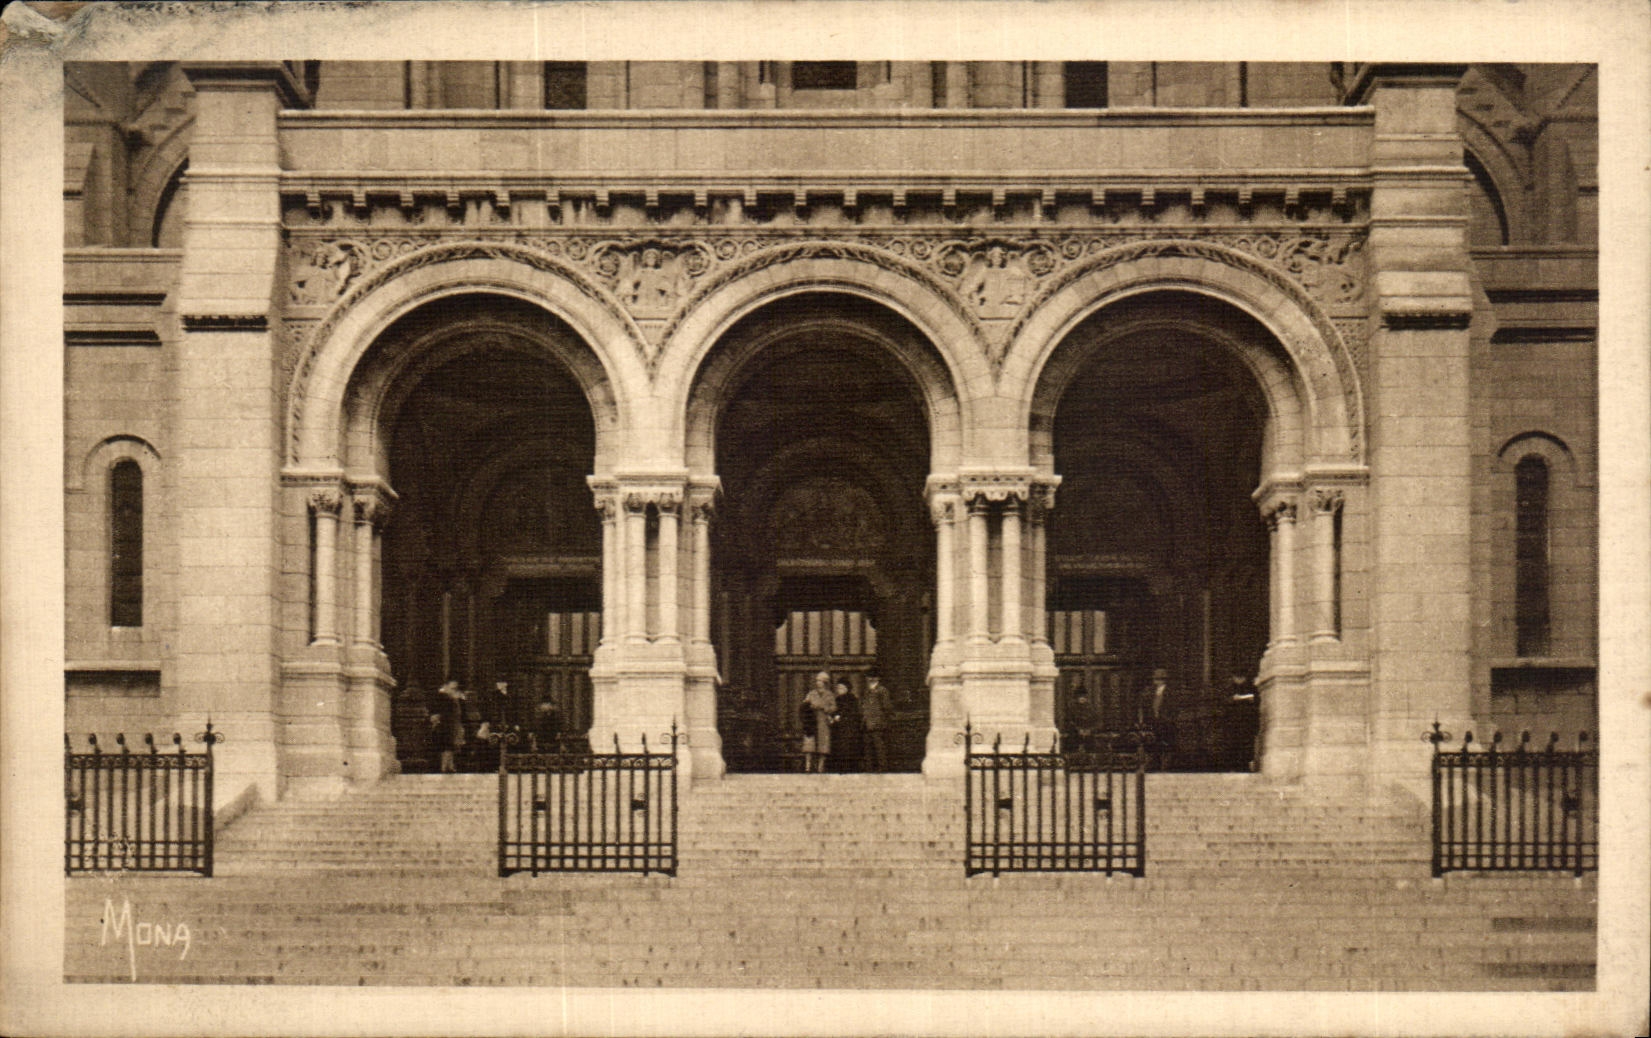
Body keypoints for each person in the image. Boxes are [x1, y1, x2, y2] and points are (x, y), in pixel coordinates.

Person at [801, 671, 838, 774]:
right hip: (811, 721)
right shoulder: (811, 693)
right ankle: (808, 766)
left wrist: (824, 707)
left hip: (823, 721)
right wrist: (810, 706)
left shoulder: (829, 694)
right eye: (817, 680)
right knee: (809, 744)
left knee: (823, 745)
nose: (818, 682)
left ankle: (820, 767)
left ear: (825, 682)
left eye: (820, 681)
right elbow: (804, 705)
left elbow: (834, 708)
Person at [1142, 668, 1176, 769]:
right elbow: (1149, 705)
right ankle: (1153, 764)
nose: (1156, 681)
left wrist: (1169, 718)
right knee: (1153, 742)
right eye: (1156, 679)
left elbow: (1172, 707)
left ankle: (1165, 765)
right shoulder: (1152, 691)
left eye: (1159, 679)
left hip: (1166, 722)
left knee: (1166, 744)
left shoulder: (1170, 691)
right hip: (1154, 721)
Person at [1227, 672, 1260, 771]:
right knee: (1234, 742)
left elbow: (1256, 699)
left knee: (1247, 743)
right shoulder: (1229, 686)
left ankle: (1246, 765)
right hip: (1234, 720)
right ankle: (1234, 766)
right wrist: (1232, 699)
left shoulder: (1250, 685)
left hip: (1247, 719)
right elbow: (1224, 702)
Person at [861, 674, 892, 772]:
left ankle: (882, 768)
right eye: (868, 677)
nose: (870, 679)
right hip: (867, 723)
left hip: (877, 723)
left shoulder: (882, 690)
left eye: (872, 677)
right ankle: (869, 768)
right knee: (868, 747)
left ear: (878, 678)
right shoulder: (866, 691)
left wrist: (881, 719)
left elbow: (887, 707)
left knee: (879, 747)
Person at [831, 680, 864, 773]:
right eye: (838, 688)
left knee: (849, 750)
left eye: (841, 688)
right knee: (840, 750)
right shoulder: (837, 699)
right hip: (839, 729)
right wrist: (834, 716)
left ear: (847, 689)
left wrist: (841, 716)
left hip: (850, 729)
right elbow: (835, 711)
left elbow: (854, 713)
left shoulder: (852, 699)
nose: (839, 690)